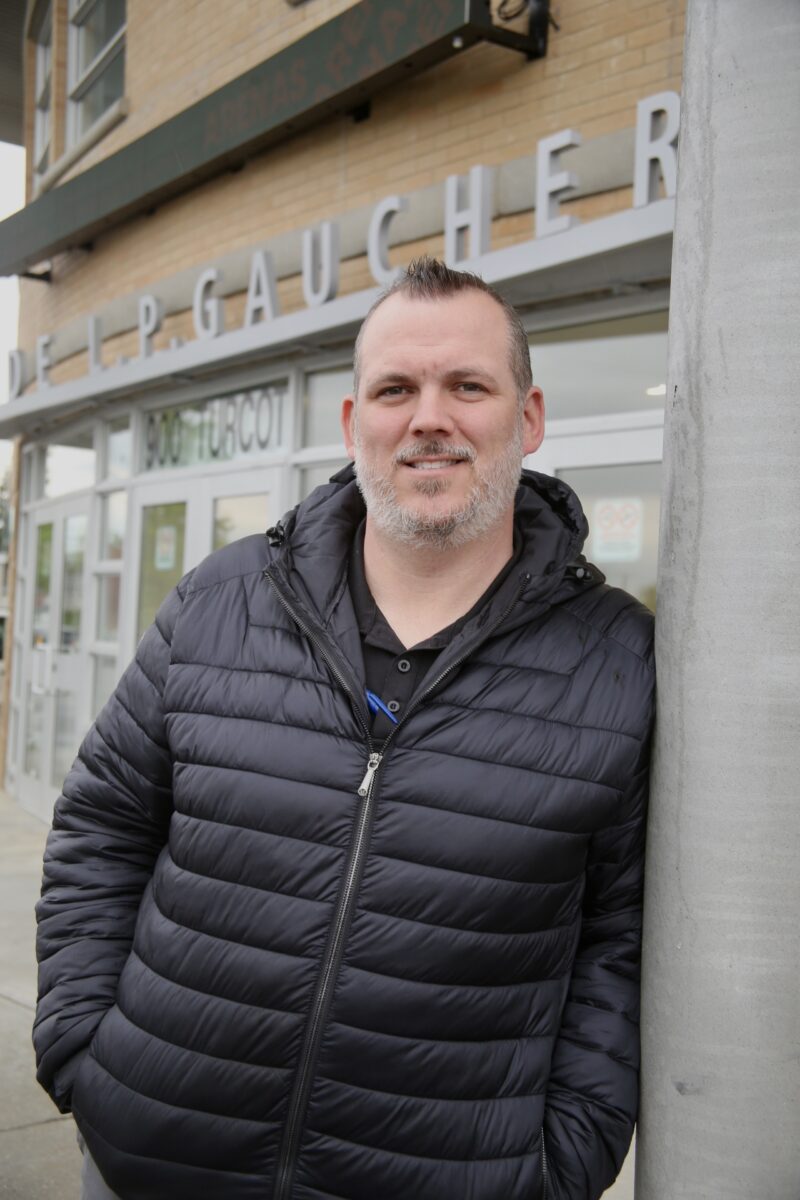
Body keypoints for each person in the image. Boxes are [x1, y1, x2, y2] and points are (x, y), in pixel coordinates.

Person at [34, 257, 655, 1200]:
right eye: (395, 389)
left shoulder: (618, 660)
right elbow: (104, 826)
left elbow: (625, 937)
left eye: (468, 386)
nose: (428, 418)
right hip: (150, 1162)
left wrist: (558, 1163)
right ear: (353, 420)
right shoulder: (222, 599)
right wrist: (86, 1045)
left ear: (527, 418)